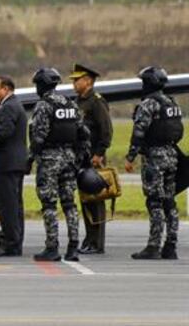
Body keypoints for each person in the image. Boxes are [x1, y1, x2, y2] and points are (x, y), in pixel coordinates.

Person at [29, 68, 90, 262]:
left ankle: (52, 246)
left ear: (41, 85)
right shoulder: (70, 103)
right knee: (70, 204)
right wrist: (79, 156)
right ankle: (73, 247)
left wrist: (30, 158)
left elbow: (39, 137)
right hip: (69, 159)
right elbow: (83, 133)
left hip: (49, 159)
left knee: (49, 204)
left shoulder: (43, 105)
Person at [125, 66, 182, 260]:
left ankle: (153, 245)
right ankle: (171, 245)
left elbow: (139, 132)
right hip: (172, 155)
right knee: (170, 201)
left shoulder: (148, 104)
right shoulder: (172, 103)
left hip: (155, 159)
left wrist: (131, 156)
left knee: (154, 202)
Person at [69, 63, 113, 255]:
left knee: (96, 199)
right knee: (86, 199)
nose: (73, 83)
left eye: (76, 80)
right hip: (82, 158)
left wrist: (99, 153)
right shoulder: (79, 101)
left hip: (94, 158)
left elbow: (106, 130)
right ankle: (89, 239)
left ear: (87, 81)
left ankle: (97, 242)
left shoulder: (96, 102)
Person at [0, 76, 28, 257]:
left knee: (7, 205)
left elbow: (5, 132)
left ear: (6, 89)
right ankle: (8, 239)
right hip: (9, 163)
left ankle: (11, 244)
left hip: (7, 165)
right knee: (11, 205)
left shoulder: (9, 107)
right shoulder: (11, 105)